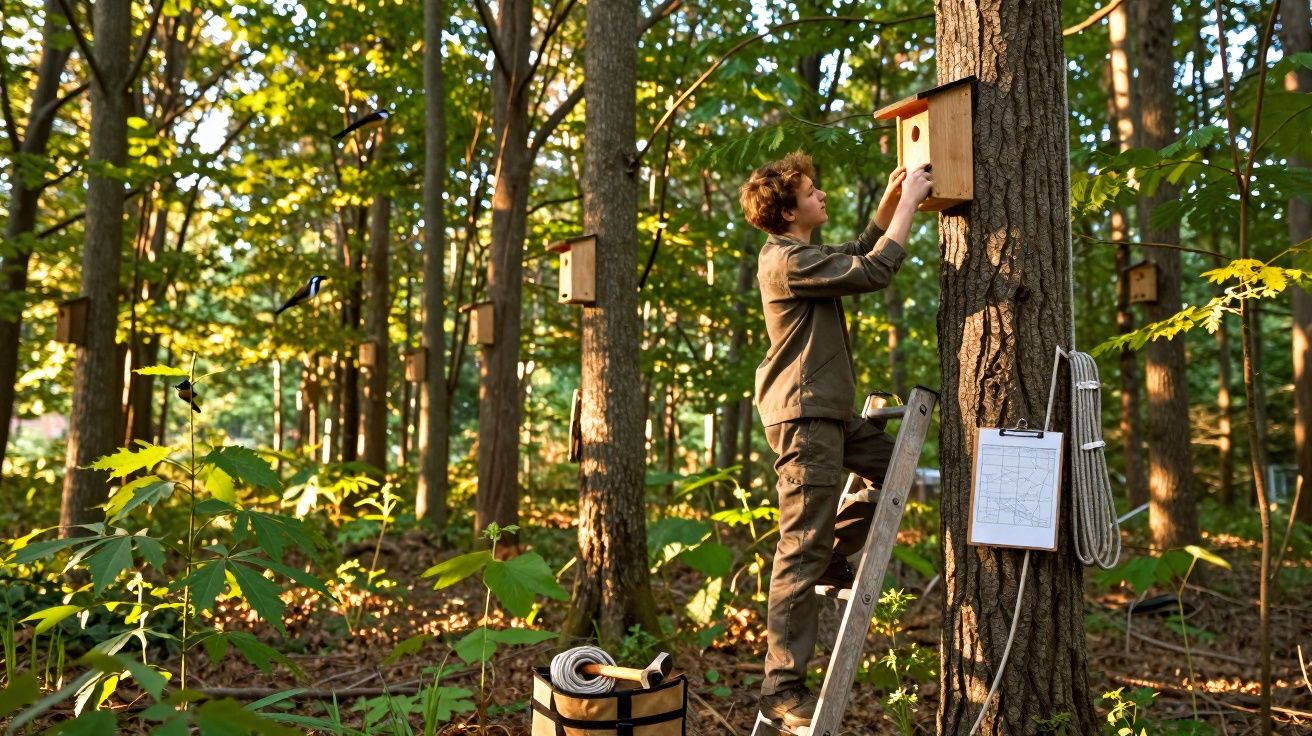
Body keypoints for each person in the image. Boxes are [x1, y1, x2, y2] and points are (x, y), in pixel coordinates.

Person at [738, 152, 933, 728]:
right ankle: (782, 686)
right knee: (799, 545)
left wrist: (892, 204)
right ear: (787, 208)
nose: (821, 195)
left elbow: (852, 256)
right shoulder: (784, 261)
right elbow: (873, 271)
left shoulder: (801, 255)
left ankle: (829, 558)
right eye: (812, 190)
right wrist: (914, 207)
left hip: (827, 412)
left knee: (893, 465)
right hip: (804, 416)